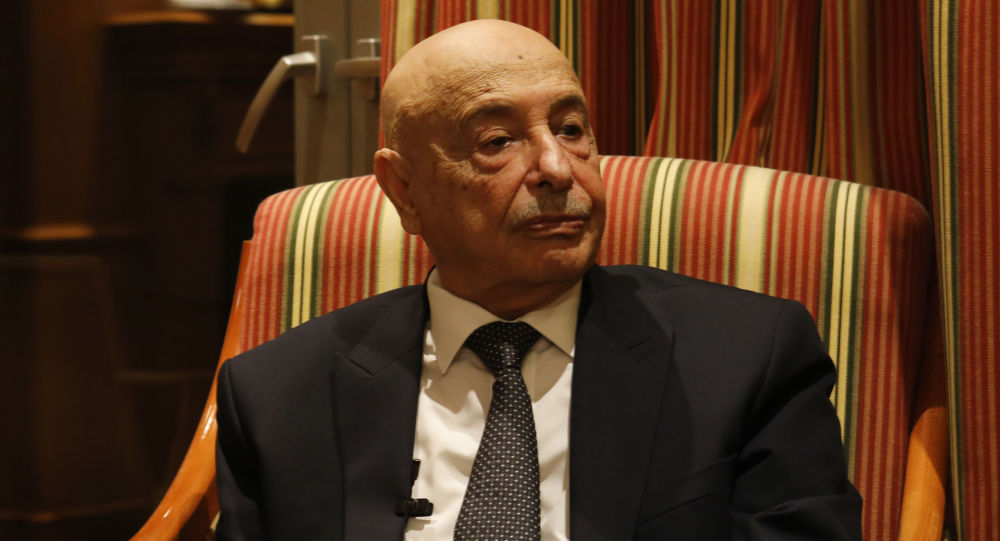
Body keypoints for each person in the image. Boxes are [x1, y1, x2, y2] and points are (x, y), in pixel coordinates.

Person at [215, 19, 862, 540]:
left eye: (571, 129)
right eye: (498, 140)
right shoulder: (278, 397)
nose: (557, 166)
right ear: (404, 190)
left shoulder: (745, 357)